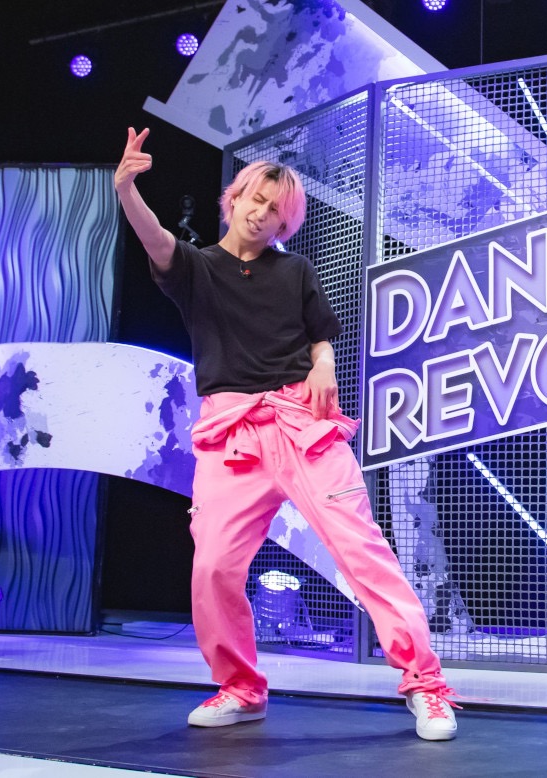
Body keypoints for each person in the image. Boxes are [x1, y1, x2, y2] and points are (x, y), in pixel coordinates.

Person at [113, 128, 458, 741]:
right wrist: (127, 191)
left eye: (276, 208)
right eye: (256, 198)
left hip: (303, 422)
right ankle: (241, 688)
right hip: (232, 433)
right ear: (234, 199)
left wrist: (324, 364)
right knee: (213, 565)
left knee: (363, 552)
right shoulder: (196, 267)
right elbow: (157, 240)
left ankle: (425, 685)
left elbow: (320, 334)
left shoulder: (294, 270)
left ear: (285, 222)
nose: (262, 212)